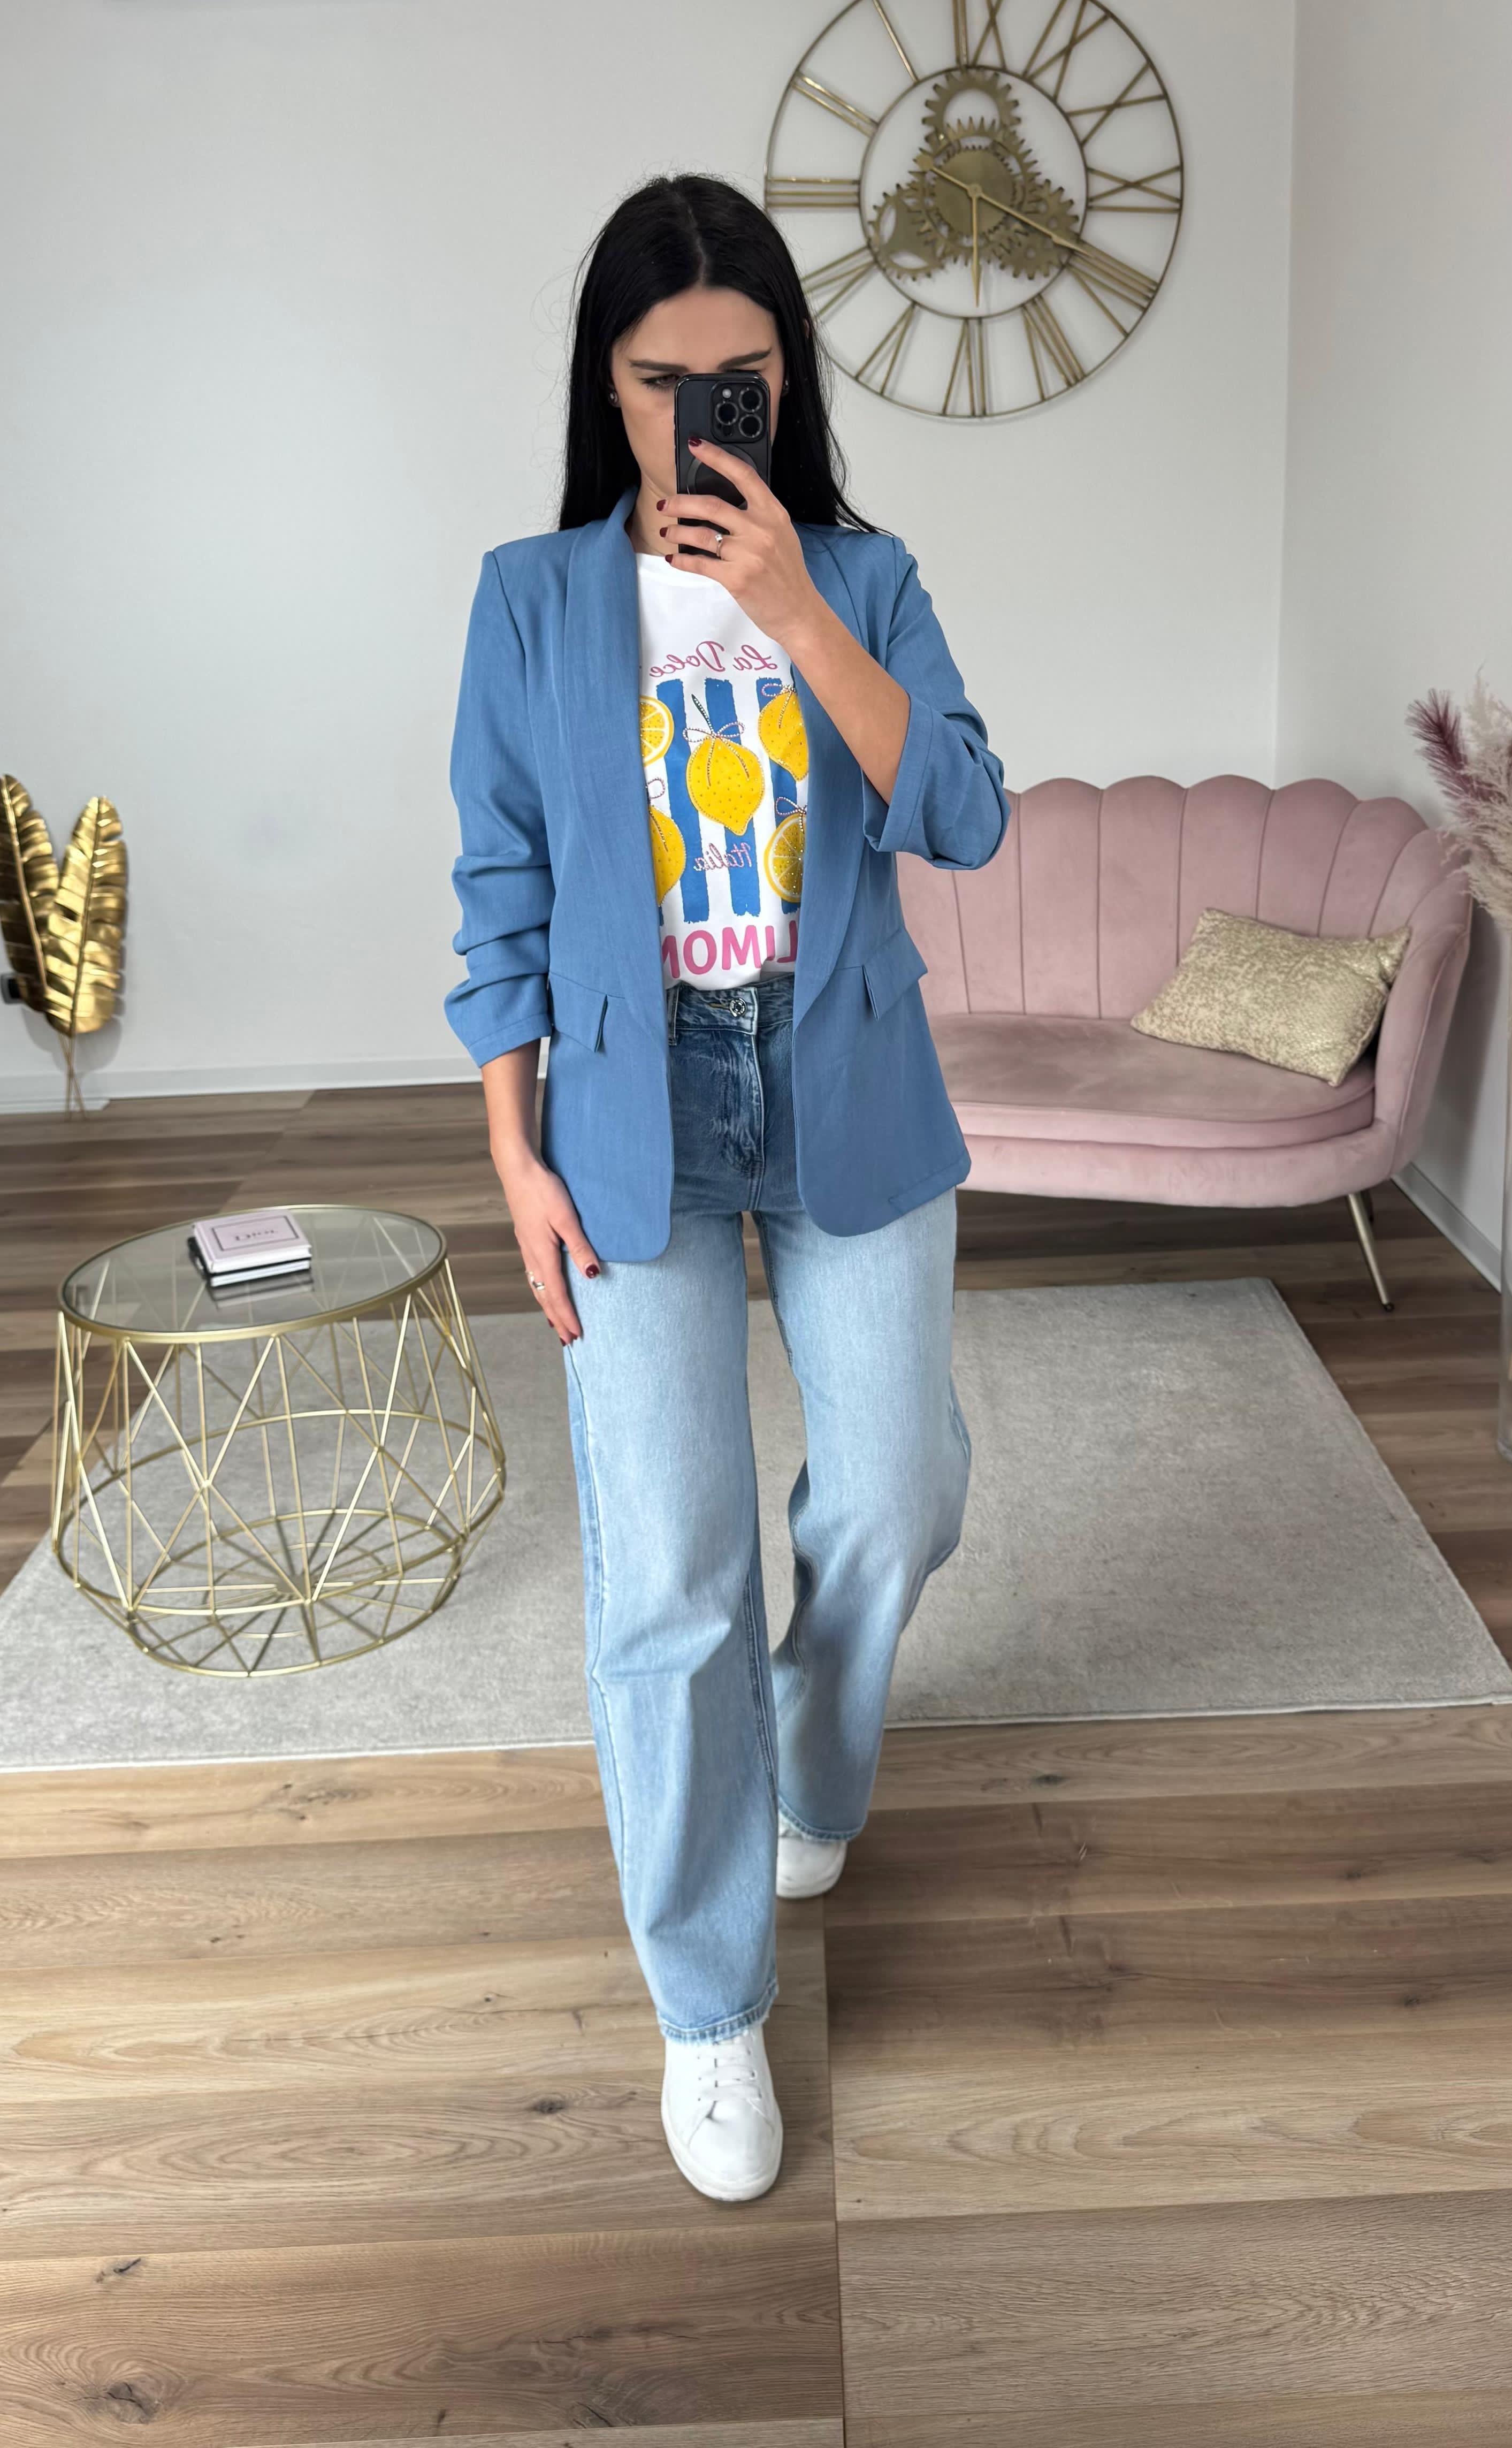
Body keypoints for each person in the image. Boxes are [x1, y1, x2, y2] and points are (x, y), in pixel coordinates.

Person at [444, 172, 1007, 2202]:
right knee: (671, 1574)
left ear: (789, 382)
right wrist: (511, 1150)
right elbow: (502, 886)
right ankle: (707, 2009)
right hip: (631, 1109)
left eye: (739, 378)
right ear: (606, 388)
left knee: (901, 1494)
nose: (698, 417)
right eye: (659, 379)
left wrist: (794, 611)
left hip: (844, 1074)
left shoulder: (864, 573)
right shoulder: (530, 599)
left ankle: (810, 1761)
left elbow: (962, 812)